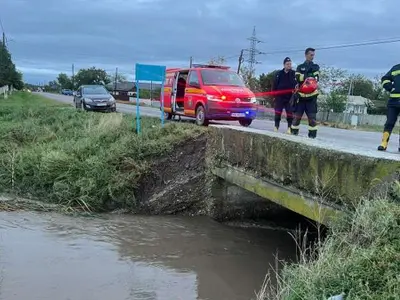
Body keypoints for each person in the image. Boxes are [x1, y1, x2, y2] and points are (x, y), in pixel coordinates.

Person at [291, 47, 320, 138]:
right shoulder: (300, 67)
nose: (312, 57)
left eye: (313, 55)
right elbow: (298, 78)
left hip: (311, 97)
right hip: (301, 97)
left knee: (312, 120)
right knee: (296, 119)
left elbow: (315, 79)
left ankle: (312, 138)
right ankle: (293, 136)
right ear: (306, 55)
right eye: (311, 55)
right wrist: (308, 76)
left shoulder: (316, 67)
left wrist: (305, 77)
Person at [378, 63, 400, 151]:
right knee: (389, 122)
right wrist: (390, 87)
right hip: (393, 102)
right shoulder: (396, 68)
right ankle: (384, 143)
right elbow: (385, 79)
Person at [272, 57, 297, 134]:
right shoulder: (279, 74)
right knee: (278, 113)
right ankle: (276, 127)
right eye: (287, 64)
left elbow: (297, 84)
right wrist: (273, 95)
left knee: (289, 113)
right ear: (284, 65)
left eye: (290, 64)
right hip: (279, 97)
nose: (289, 65)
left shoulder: (294, 74)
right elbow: (274, 85)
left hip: (289, 97)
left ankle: (289, 128)